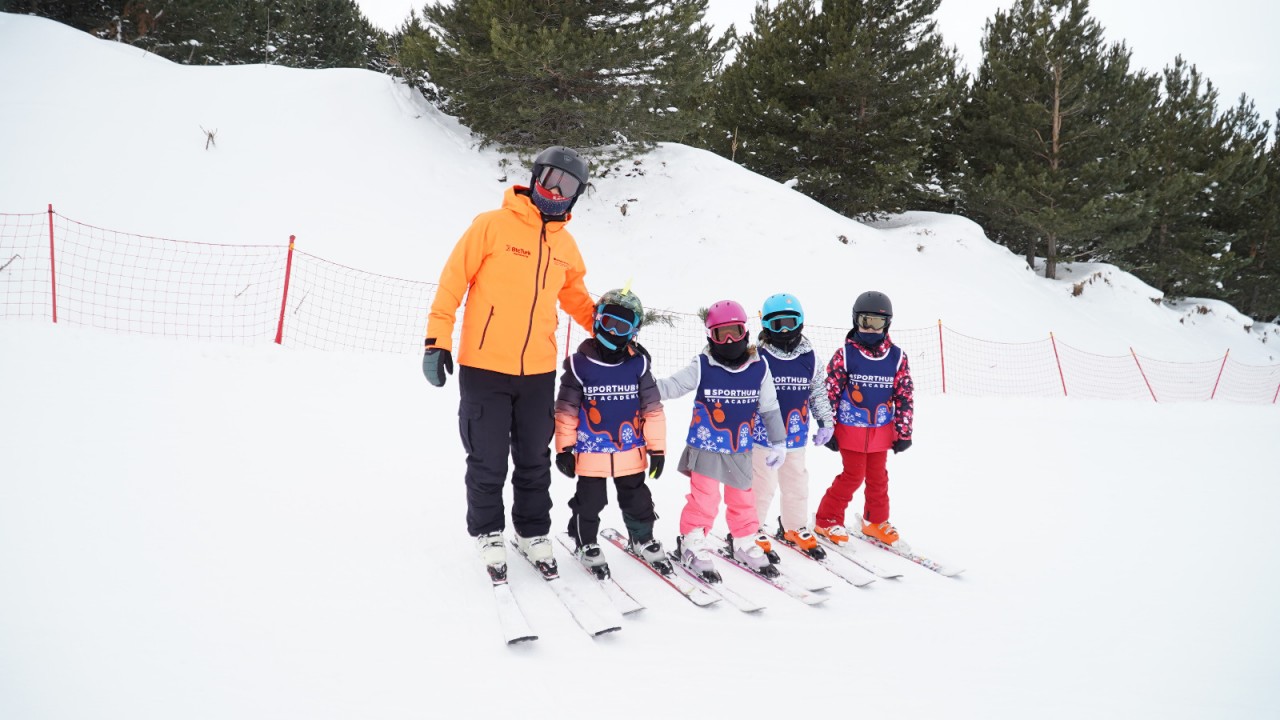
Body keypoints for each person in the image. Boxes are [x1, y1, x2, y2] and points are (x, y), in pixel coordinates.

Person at [422, 146, 596, 580]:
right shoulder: (491, 226)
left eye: (568, 184)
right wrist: (436, 339)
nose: (556, 190)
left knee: (535, 458)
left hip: (538, 370)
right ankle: (488, 532)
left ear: (576, 194)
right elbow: (452, 282)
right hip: (485, 367)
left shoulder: (565, 245)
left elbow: (576, 297)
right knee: (488, 458)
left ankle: (532, 533)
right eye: (551, 178)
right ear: (535, 176)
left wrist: (609, 331)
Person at [657, 300, 788, 577]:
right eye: (721, 334)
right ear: (710, 337)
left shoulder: (758, 367)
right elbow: (673, 386)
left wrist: (778, 442)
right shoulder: (704, 365)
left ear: (745, 333)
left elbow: (769, 406)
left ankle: (744, 539)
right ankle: (692, 539)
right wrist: (640, 384)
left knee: (743, 497)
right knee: (704, 498)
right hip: (705, 445)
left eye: (734, 332)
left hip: (740, 447)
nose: (729, 340)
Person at [553, 287, 668, 578]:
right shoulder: (579, 366)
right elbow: (566, 409)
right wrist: (564, 449)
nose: (614, 331)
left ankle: (642, 537)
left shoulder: (638, 365)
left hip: (630, 449)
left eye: (622, 326)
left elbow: (652, 409)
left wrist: (657, 449)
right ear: (597, 320)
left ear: (634, 331)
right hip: (591, 452)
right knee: (590, 501)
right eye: (608, 323)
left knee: (637, 498)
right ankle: (586, 541)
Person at [814, 290, 915, 549]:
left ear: (887, 324)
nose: (870, 329)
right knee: (853, 475)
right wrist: (828, 427)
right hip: (850, 430)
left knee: (878, 477)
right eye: (865, 321)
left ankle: (875, 521)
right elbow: (830, 392)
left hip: (881, 430)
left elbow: (904, 395)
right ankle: (827, 519)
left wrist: (904, 432)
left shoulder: (896, 358)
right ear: (855, 320)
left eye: (877, 322)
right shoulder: (845, 355)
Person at [749, 293, 835, 561]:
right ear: (766, 326)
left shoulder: (810, 358)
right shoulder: (759, 357)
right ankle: (750, 529)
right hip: (763, 438)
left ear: (801, 322)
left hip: (795, 436)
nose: (785, 330)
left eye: (790, 323)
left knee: (796, 483)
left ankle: (795, 527)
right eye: (778, 324)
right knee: (763, 485)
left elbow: (818, 392)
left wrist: (826, 422)